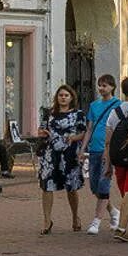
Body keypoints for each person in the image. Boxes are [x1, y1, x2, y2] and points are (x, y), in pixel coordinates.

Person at [37, 84, 87, 234]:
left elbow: (84, 133)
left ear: (71, 97)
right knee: (47, 186)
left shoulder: (78, 114)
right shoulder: (49, 113)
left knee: (71, 187)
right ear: (56, 98)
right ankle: (47, 220)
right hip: (50, 154)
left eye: (66, 95)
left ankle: (75, 217)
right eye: (60, 95)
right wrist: (42, 133)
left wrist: (73, 138)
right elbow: (41, 130)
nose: (63, 98)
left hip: (69, 154)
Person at [78, 74, 122, 235]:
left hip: (109, 150)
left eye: (105, 85)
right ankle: (113, 212)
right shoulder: (94, 106)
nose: (101, 88)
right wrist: (83, 149)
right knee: (95, 186)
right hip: (94, 149)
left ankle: (96, 221)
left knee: (104, 184)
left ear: (112, 87)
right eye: (100, 85)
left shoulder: (118, 105)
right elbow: (89, 129)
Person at [104, 77, 128, 242]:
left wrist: (108, 163)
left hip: (118, 158)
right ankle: (121, 229)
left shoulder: (114, 112)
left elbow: (107, 140)